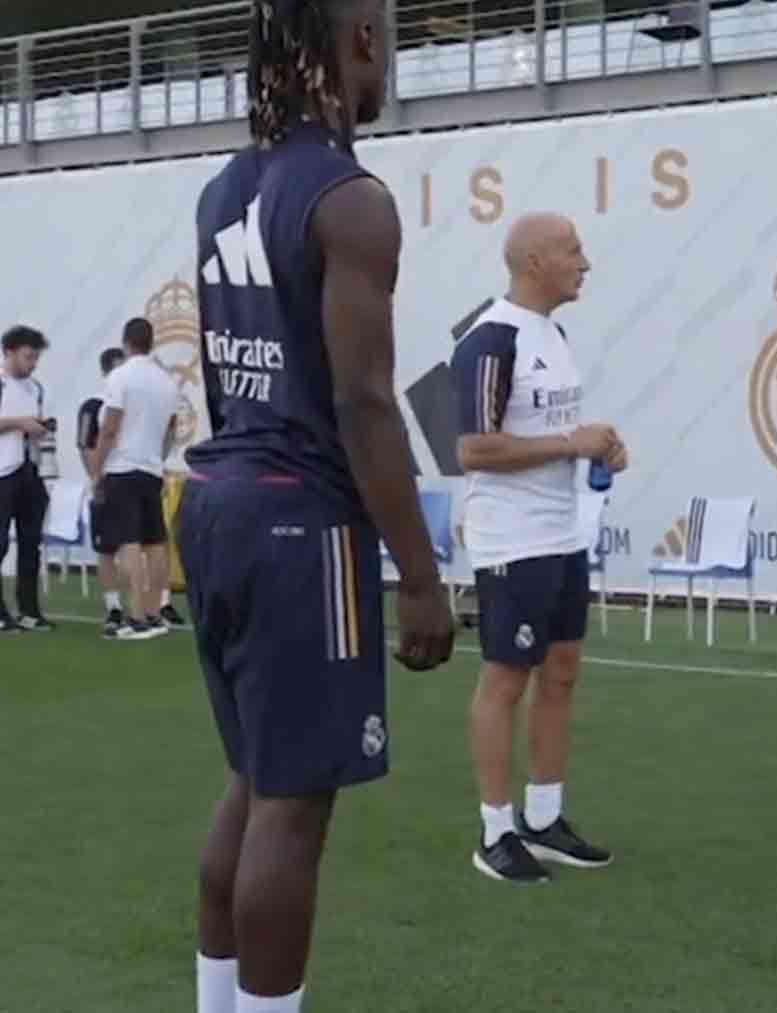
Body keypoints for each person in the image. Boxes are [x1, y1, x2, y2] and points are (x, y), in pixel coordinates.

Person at [180, 1, 455, 1010]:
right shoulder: (351, 196)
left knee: (254, 781)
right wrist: (421, 577)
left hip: (217, 498)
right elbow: (363, 398)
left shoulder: (222, 188)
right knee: (292, 808)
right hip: (300, 520)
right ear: (363, 42)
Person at [454, 212, 628, 884]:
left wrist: (598, 443)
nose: (585, 262)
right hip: (512, 539)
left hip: (562, 532)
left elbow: (550, 429)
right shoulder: (489, 338)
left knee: (561, 672)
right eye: (573, 250)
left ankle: (544, 818)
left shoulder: (552, 333)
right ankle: (495, 831)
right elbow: (472, 448)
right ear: (533, 262)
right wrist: (568, 443)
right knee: (505, 680)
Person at [92, 317, 185, 639]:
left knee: (130, 541)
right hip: (150, 467)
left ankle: (135, 617)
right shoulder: (166, 381)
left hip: (123, 467)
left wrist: (97, 470)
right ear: (151, 342)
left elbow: (109, 428)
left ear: (126, 343)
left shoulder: (120, 376)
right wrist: (158, 458)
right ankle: (155, 613)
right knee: (155, 542)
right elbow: (171, 430)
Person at [0, 324, 54, 633]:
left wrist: (40, 428)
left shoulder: (35, 388)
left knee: (30, 543)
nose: (31, 364)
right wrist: (19, 423)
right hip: (2, 472)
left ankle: (29, 610)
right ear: (9, 352)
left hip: (29, 470)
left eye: (35, 358)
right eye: (27, 357)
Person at [78, 346, 129, 636]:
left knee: (138, 546)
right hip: (106, 482)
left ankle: (149, 608)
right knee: (107, 547)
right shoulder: (93, 406)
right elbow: (85, 445)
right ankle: (113, 607)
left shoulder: (134, 404)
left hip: (132, 480)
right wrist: (95, 479)